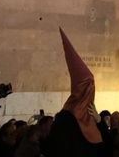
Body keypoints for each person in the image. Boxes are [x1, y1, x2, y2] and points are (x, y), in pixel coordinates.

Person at [43, 29, 104, 157]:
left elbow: (105, 148)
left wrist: (99, 121)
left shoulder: (90, 117)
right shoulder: (65, 119)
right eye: (89, 87)